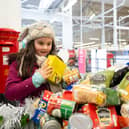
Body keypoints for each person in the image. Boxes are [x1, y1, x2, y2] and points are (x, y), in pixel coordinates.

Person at [5, 21, 63, 104]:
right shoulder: (20, 62)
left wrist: (65, 82)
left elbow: (61, 89)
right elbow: (10, 93)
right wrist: (34, 80)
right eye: (40, 43)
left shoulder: (57, 61)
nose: (45, 47)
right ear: (31, 44)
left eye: (49, 44)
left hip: (54, 110)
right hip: (30, 113)